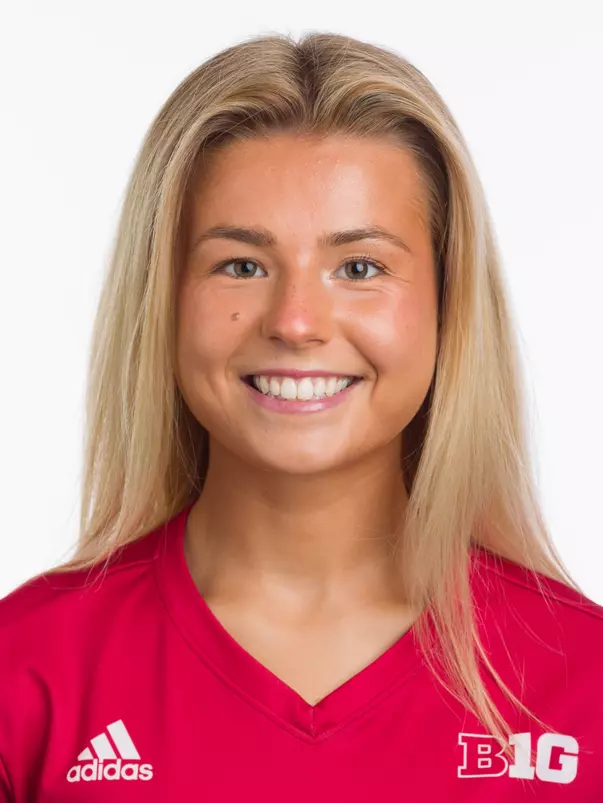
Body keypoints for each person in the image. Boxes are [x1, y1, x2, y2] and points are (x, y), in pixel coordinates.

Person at [0, 30, 601, 801]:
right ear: (164, 301)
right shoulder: (27, 675)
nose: (293, 321)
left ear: (447, 307)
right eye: (241, 265)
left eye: (359, 267)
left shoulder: (582, 684)